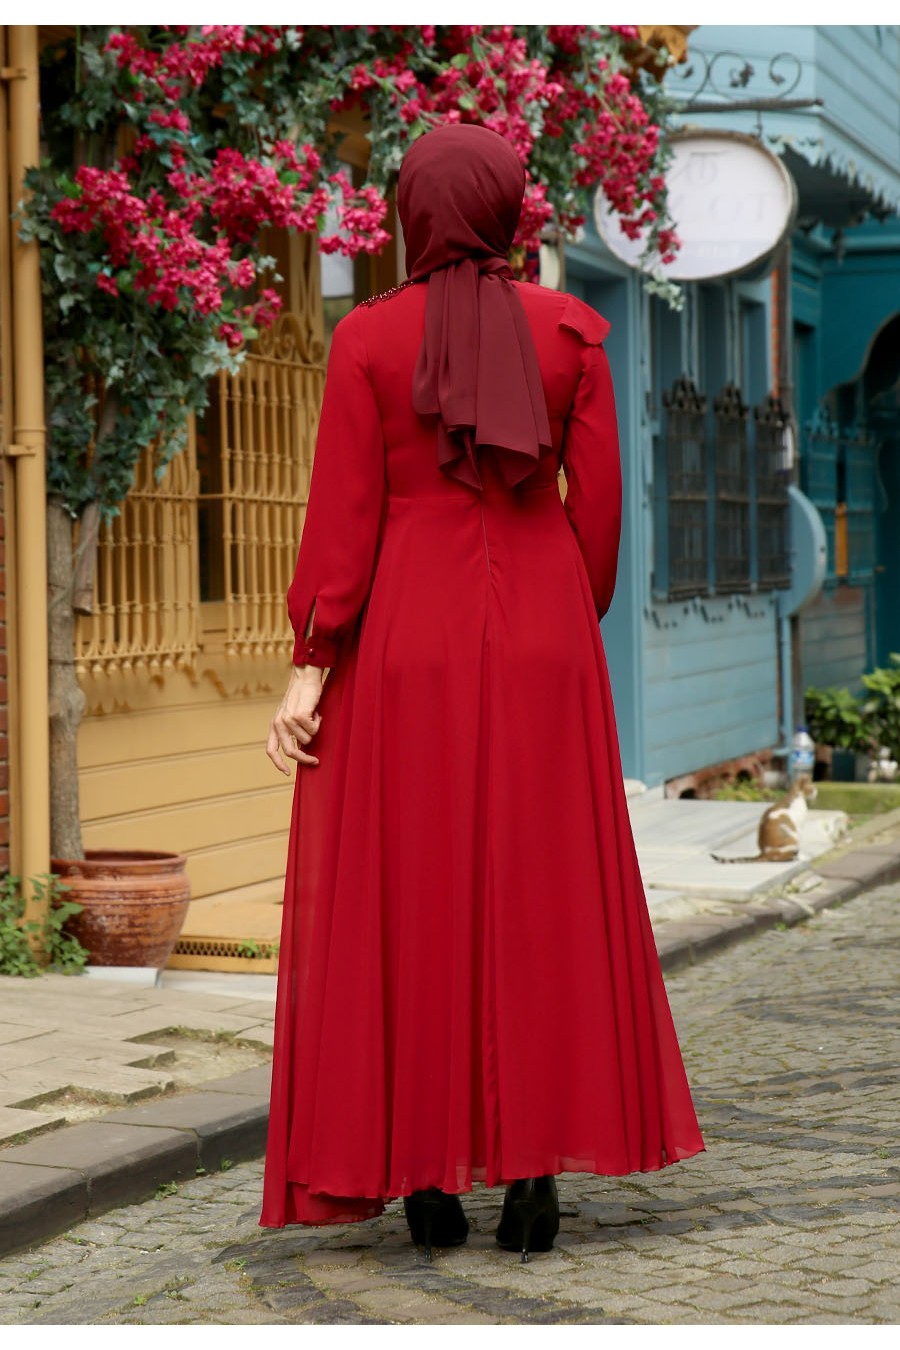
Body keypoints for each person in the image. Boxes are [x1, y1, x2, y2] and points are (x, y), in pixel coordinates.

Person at [261, 123, 704, 1261]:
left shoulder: (364, 340)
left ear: (411, 208)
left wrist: (311, 668)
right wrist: (560, 609)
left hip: (407, 637)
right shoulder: (571, 335)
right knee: (541, 889)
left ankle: (425, 1182)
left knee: (413, 889)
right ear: (509, 207)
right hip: (545, 631)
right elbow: (597, 518)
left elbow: (345, 521)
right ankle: (535, 1174)